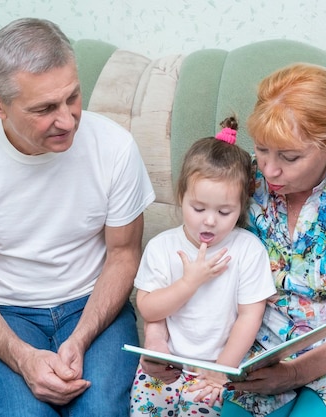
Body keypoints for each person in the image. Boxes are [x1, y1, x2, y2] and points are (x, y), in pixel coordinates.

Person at [0, 18, 155, 417]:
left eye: (73, 98)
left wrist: (82, 337)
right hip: (5, 312)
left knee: (99, 412)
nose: (67, 120)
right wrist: (23, 357)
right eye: (44, 109)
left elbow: (124, 255)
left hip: (92, 304)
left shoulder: (115, 147)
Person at [191, 63, 326, 416]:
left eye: (289, 157)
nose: (269, 170)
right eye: (262, 150)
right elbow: (194, 253)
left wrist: (294, 373)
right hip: (259, 354)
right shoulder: (245, 182)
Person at [130, 117, 276, 417]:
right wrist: (189, 283)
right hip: (166, 363)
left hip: (218, 367)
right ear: (180, 196)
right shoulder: (162, 247)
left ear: (241, 206)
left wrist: (223, 369)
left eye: (224, 212)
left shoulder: (248, 250)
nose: (209, 221)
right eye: (198, 209)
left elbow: (250, 316)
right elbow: (149, 310)